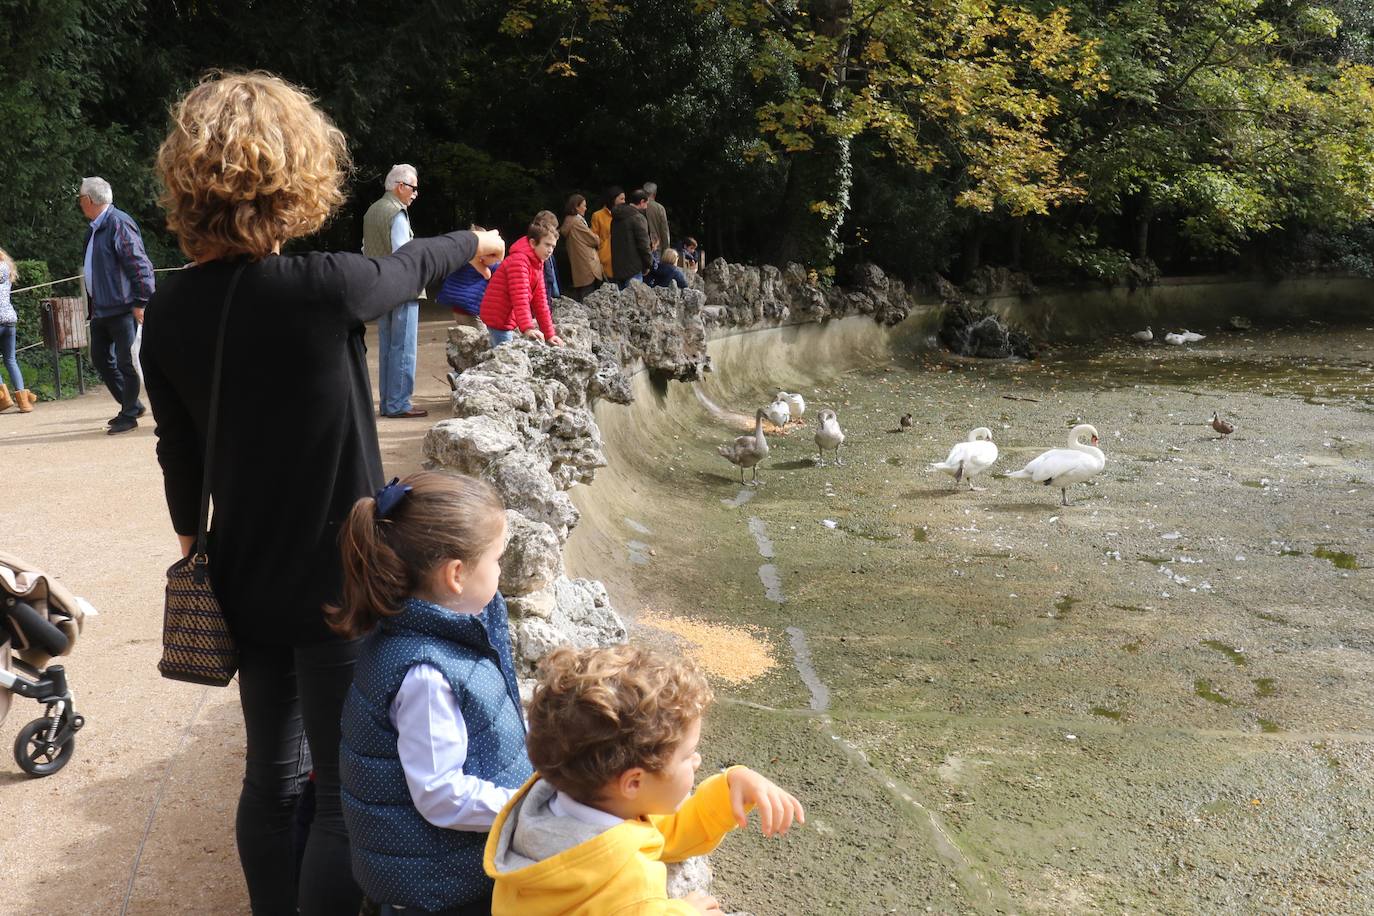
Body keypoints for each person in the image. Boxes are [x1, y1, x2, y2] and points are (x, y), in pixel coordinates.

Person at [141, 71, 505, 916]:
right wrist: (474, 241)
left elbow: (176, 446)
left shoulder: (172, 306)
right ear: (298, 177)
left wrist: (194, 549)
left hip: (241, 569)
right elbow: (409, 264)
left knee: (268, 778)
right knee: (340, 791)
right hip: (340, 580)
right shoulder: (321, 288)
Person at [334, 471, 533, 916]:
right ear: (456, 574)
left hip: (443, 876)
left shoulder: (442, 632)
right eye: (497, 560)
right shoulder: (425, 672)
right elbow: (441, 794)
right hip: (438, 890)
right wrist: (530, 804)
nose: (501, 573)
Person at [485, 644, 805, 914]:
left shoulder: (549, 810)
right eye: (687, 755)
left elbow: (661, 832)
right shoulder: (629, 888)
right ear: (634, 782)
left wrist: (730, 786)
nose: (698, 760)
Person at [79, 176, 155, 434]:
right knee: (100, 357)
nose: (79, 202)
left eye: (79, 197)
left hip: (123, 306)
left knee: (126, 361)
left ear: (89, 200)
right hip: (102, 308)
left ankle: (129, 413)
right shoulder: (95, 228)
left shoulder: (117, 223)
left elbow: (138, 263)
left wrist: (141, 300)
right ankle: (131, 403)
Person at [363, 164, 427, 419]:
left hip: (380, 286)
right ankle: (399, 404)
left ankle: (389, 402)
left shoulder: (372, 210)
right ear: (401, 187)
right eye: (413, 188)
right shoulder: (397, 213)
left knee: (388, 346)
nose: (414, 194)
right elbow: (404, 255)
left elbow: (366, 249)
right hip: (402, 287)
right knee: (404, 346)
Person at [479, 220, 563, 349]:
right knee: (506, 362)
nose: (550, 250)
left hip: (505, 319)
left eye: (553, 246)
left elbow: (540, 301)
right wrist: (528, 328)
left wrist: (549, 334)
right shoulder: (519, 261)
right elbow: (520, 297)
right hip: (499, 319)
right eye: (547, 245)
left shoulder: (536, 263)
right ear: (533, 243)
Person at [437, 225, 502, 329]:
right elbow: (503, 271)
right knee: (481, 340)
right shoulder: (485, 260)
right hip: (471, 309)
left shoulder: (459, 256)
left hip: (457, 307)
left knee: (466, 338)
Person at [0, 247, 34, 413]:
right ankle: (24, 403)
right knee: (11, 359)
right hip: (9, 319)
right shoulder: (6, 270)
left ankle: (4, 398)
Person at [558, 194, 604, 300]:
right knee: (589, 296)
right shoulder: (577, 222)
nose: (586, 208)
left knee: (582, 294)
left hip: (579, 264)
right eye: (583, 205)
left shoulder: (568, 221)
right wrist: (597, 237)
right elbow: (594, 240)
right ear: (576, 207)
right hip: (587, 264)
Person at [610, 190, 653, 289]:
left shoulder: (615, 218)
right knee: (633, 301)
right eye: (646, 203)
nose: (646, 207)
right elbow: (644, 245)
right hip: (634, 268)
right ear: (642, 202)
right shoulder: (638, 218)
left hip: (617, 266)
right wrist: (648, 264)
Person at [590, 186, 622, 280]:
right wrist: (603, 247)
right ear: (613, 199)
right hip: (606, 259)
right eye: (621, 199)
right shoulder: (598, 215)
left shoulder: (625, 214)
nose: (624, 201)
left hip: (623, 259)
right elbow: (593, 237)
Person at [532, 210, 561, 308]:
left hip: (552, 297)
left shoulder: (549, 254)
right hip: (544, 301)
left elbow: (554, 275)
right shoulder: (538, 255)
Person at [643, 181, 671, 255]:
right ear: (655, 194)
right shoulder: (659, 208)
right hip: (656, 247)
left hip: (641, 246)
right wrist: (666, 249)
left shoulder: (637, 206)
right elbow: (664, 230)